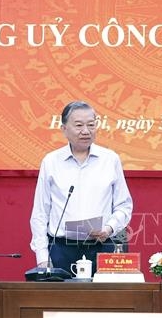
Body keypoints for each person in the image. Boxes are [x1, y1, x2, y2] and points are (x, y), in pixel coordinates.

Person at [29, 100, 133, 276]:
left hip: (102, 247)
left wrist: (109, 228)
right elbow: (40, 213)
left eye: (91, 125)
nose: (86, 131)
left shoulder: (110, 160)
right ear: (64, 129)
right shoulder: (51, 161)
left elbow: (124, 206)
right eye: (78, 125)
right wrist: (42, 257)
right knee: (60, 295)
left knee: (106, 295)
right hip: (62, 249)